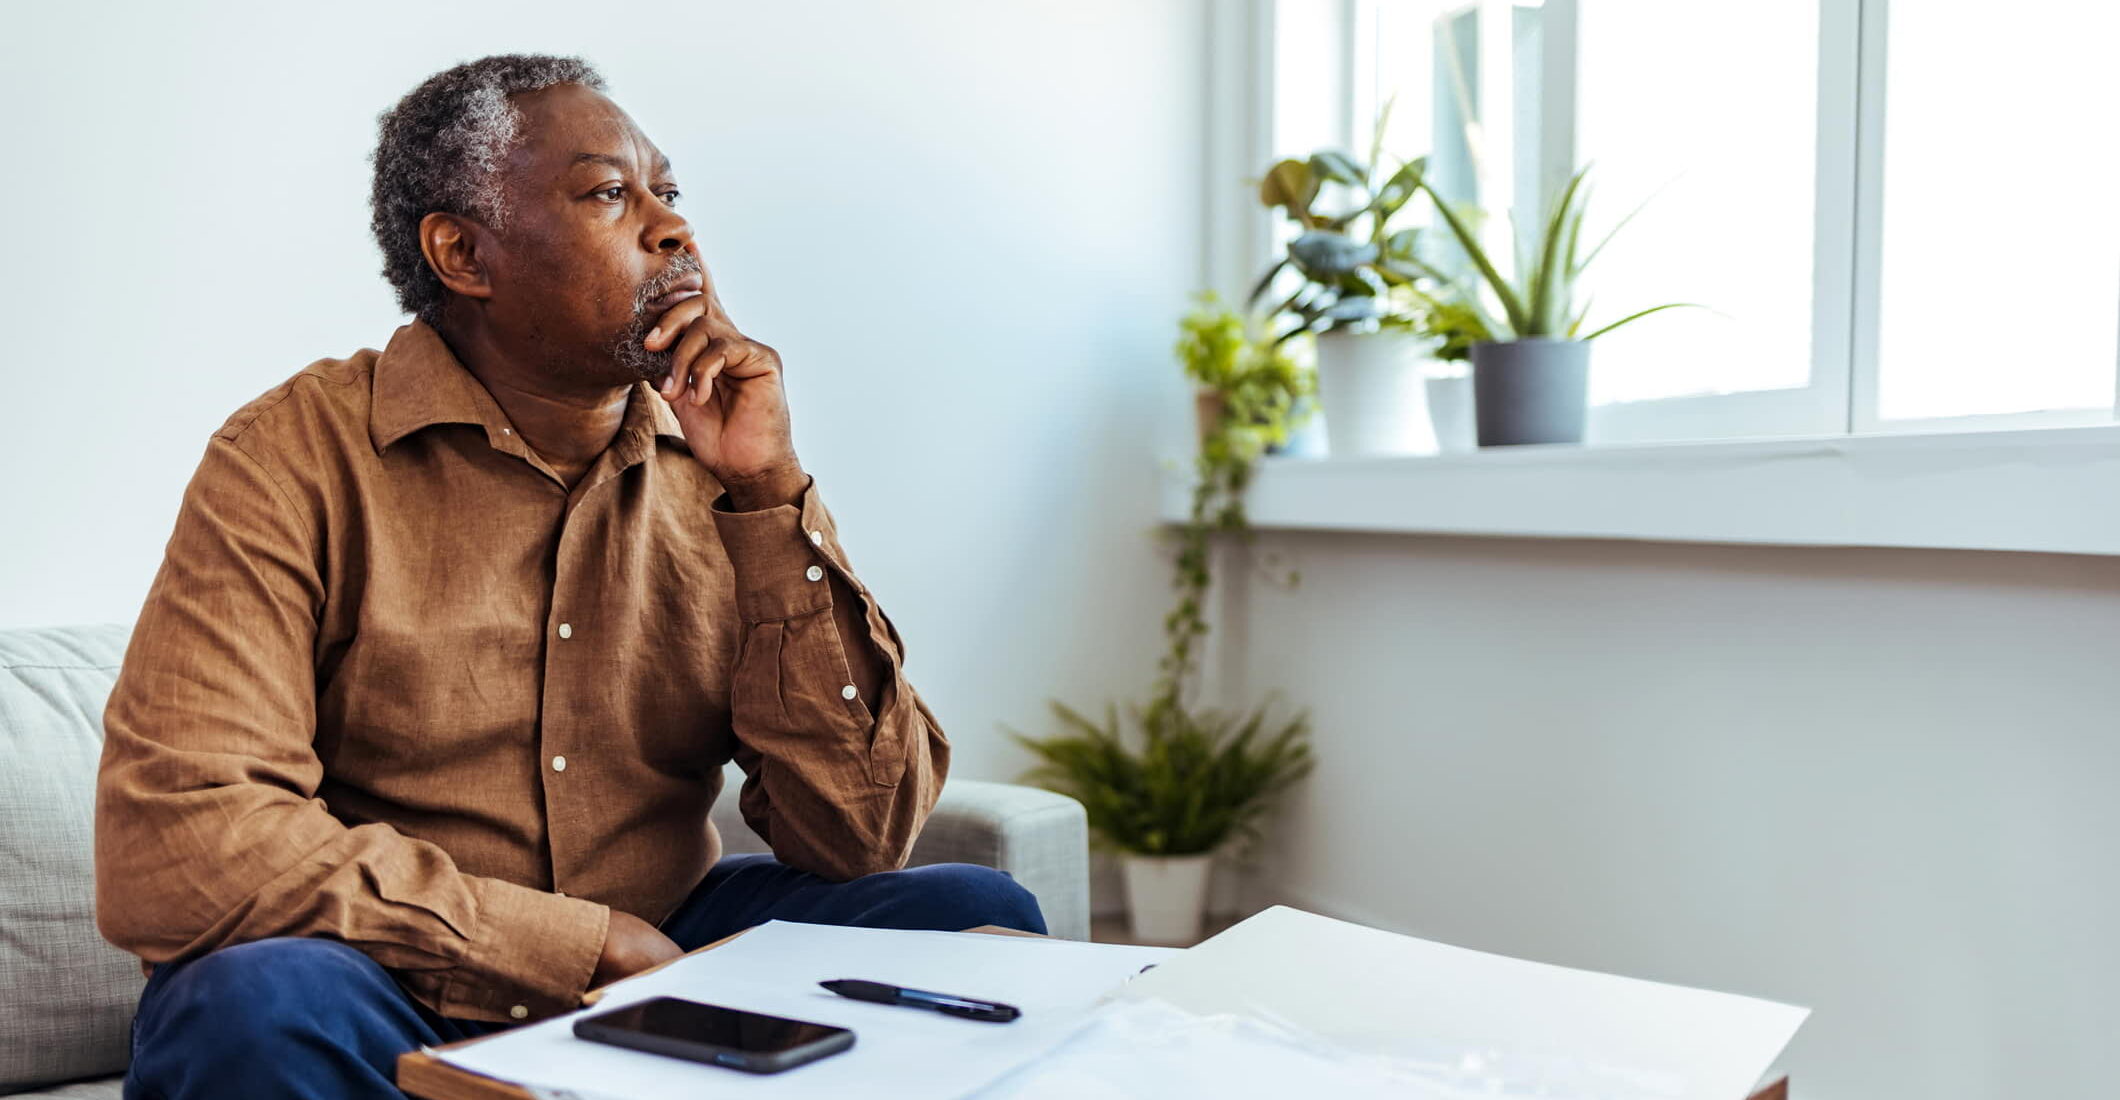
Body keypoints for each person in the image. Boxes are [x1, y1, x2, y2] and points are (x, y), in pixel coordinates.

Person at [93, 53, 1042, 1100]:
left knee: (966, 916)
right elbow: (183, 842)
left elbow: (860, 837)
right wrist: (567, 944)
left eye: (668, 193)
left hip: (669, 954)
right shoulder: (294, 456)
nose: (671, 228)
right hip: (389, 978)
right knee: (250, 1007)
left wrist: (769, 498)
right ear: (463, 253)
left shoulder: (717, 472)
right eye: (606, 193)